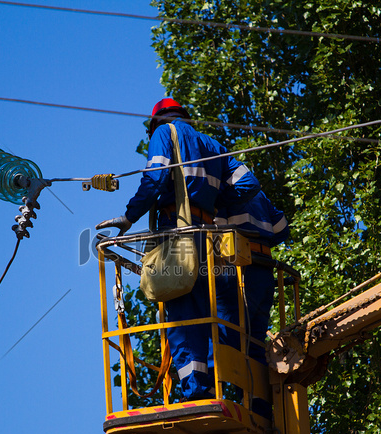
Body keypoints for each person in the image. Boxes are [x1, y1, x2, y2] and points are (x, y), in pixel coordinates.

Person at [96, 98, 260, 401]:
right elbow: (248, 184)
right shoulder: (213, 143)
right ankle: (221, 387)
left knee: (183, 319)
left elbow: (155, 177)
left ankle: (197, 392)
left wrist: (129, 216)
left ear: (156, 121)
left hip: (177, 235)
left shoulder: (164, 133)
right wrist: (210, 202)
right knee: (214, 316)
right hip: (211, 238)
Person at [213, 190, 289, 417]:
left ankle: (213, 396)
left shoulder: (222, 193)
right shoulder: (258, 192)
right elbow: (282, 228)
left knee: (226, 335)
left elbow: (213, 231)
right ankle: (258, 406)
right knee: (254, 341)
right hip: (263, 271)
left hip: (238, 270)